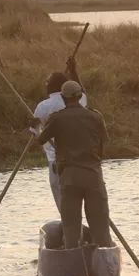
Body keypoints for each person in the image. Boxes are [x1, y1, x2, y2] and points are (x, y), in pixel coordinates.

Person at [36, 80, 112, 249]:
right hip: (93, 176)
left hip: (69, 178)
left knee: (71, 227)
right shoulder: (95, 116)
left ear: (63, 97)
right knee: (100, 225)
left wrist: (37, 125)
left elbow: (40, 139)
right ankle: (103, 253)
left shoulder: (56, 118)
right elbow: (103, 144)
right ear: (80, 96)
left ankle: (72, 252)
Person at [31, 58, 87, 212]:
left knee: (63, 203)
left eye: (47, 81)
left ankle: (71, 232)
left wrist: (33, 125)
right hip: (80, 161)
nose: (45, 83)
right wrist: (74, 71)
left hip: (57, 163)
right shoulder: (77, 101)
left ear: (50, 85)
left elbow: (35, 136)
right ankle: (78, 231)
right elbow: (81, 92)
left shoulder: (43, 107)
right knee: (78, 201)